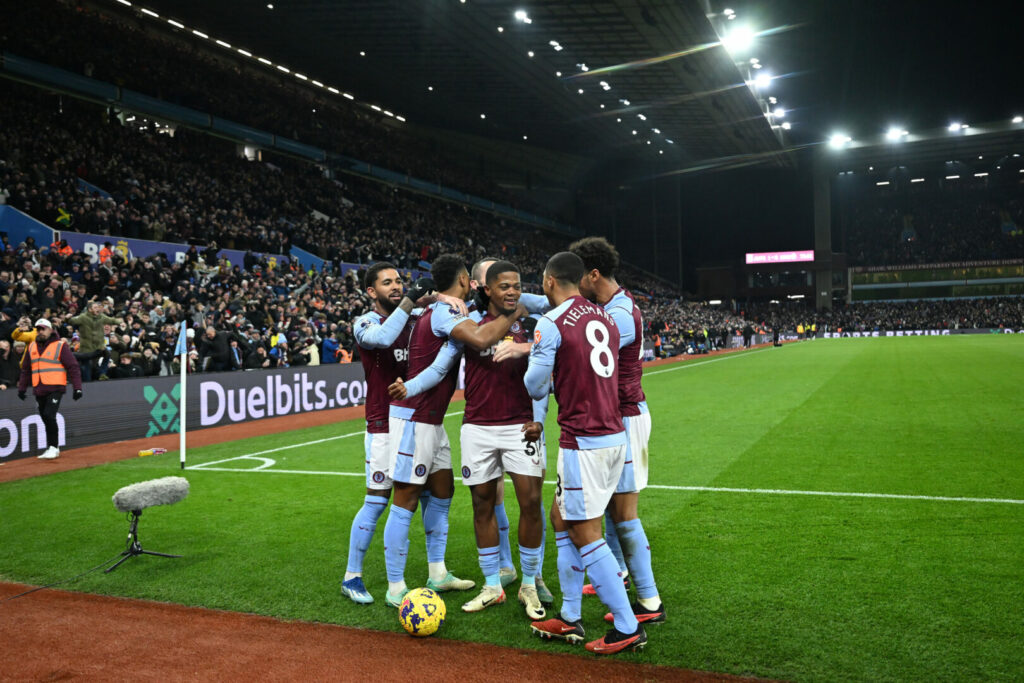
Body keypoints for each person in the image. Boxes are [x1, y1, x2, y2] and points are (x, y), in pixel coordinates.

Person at [397, 260, 549, 618]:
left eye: (516, 286)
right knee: (482, 505)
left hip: (519, 427)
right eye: (504, 287)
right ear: (487, 290)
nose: (512, 292)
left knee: (530, 502)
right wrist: (411, 386)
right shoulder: (468, 326)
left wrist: (538, 419)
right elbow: (439, 368)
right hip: (477, 428)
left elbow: (547, 379)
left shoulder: (535, 327)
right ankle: (492, 585)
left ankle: (530, 582)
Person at [524, 252, 646, 655]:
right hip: (614, 435)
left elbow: (536, 385)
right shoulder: (607, 317)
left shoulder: (552, 323)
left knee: (585, 532)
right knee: (561, 517)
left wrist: (532, 359)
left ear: (548, 282)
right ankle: (571, 615)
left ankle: (627, 626)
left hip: (583, 440)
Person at [340, 261, 464, 605]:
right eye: (387, 283)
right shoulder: (366, 323)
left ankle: (437, 572)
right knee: (378, 500)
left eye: (399, 281)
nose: (396, 287)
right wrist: (412, 300)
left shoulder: (418, 320)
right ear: (371, 291)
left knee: (440, 493)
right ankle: (353, 576)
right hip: (384, 425)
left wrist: (442, 299)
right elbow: (382, 339)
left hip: (425, 419)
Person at [570, 236, 664, 625]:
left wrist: (530, 348)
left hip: (625, 417)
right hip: (617, 417)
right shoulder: (609, 306)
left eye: (577, 278)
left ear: (593, 275)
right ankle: (622, 575)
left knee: (625, 514)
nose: (574, 286)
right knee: (612, 507)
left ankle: (649, 603)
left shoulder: (621, 314)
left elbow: (582, 346)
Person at [17, 318, 83, 460]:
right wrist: (22, 388)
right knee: (45, 418)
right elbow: (26, 370)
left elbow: (73, 367)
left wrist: (77, 387)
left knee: (48, 415)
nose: (40, 331)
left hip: (55, 387)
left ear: (50, 330)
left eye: (43, 329)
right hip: (39, 388)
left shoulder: (60, 346)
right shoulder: (32, 346)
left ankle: (53, 447)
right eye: (38, 329)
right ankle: (52, 447)